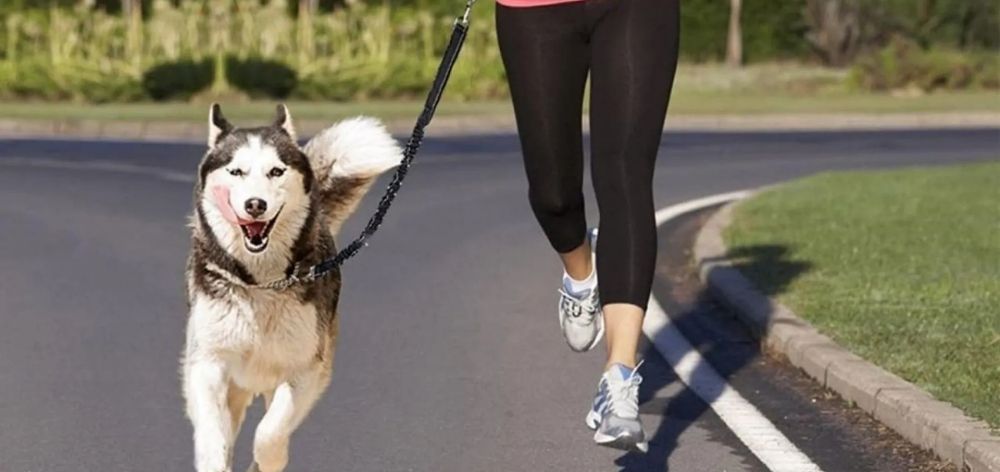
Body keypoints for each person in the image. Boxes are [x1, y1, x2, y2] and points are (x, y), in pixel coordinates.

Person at [495, 0, 680, 452]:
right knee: (553, 196)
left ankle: (619, 380)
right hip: (535, 9)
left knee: (625, 178)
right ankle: (582, 274)